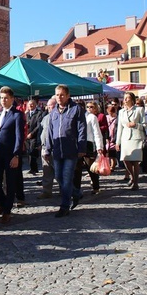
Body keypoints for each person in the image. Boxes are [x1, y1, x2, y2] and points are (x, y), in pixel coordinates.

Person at [43, 84, 86, 217]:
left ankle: (64, 206)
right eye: (57, 95)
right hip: (57, 150)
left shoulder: (76, 109)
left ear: (68, 95)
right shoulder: (53, 112)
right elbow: (49, 131)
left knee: (67, 178)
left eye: (62, 95)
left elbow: (81, 129)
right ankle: (76, 193)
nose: (59, 97)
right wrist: (47, 149)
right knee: (58, 177)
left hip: (70, 150)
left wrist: (81, 147)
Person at [0, 86, 25, 224]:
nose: (3, 100)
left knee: (10, 183)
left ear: (12, 99)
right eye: (1, 98)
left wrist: (16, 155)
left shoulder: (17, 115)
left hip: (10, 154)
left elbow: (19, 136)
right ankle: (3, 203)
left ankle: (7, 211)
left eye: (6, 98)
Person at [115, 92, 145, 191]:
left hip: (136, 138)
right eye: (125, 98)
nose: (126, 100)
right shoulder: (121, 112)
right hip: (125, 138)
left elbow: (145, 125)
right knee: (125, 159)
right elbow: (119, 127)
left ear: (132, 99)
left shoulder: (139, 110)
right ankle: (132, 176)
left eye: (128, 98)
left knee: (135, 161)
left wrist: (136, 125)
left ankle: (136, 183)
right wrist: (117, 142)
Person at [74, 101, 104, 195]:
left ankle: (96, 186)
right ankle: (76, 189)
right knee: (77, 168)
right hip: (78, 144)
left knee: (91, 167)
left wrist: (99, 146)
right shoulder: (75, 117)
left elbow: (97, 132)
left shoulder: (91, 117)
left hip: (89, 144)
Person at [37, 96, 58, 199]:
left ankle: (67, 190)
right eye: (48, 106)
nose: (50, 108)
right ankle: (46, 191)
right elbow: (42, 132)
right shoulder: (45, 117)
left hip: (55, 148)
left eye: (52, 106)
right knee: (46, 171)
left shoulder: (58, 116)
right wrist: (40, 144)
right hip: (45, 147)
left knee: (58, 171)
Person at [24, 99, 45, 175]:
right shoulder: (26, 114)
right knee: (28, 152)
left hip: (34, 136)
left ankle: (34, 168)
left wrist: (32, 134)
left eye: (32, 104)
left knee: (33, 152)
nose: (30, 105)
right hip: (27, 136)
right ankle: (31, 168)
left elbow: (38, 125)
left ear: (36, 105)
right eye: (29, 104)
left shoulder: (39, 113)